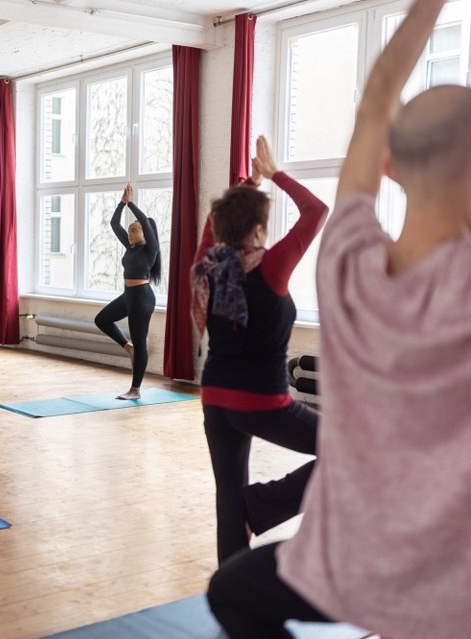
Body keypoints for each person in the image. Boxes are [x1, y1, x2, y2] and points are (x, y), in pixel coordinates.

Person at [208, 2, 471, 637]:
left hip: (351, 563)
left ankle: (261, 504)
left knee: (234, 590)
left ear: (389, 166)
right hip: (447, 581)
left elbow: (377, 95)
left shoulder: (347, 266)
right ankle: (265, 502)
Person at [192, 136, 328, 564]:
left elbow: (214, 225)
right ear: (258, 229)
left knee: (228, 494)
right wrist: (273, 175)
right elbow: (316, 212)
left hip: (216, 398)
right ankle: (264, 506)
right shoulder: (271, 265)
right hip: (265, 402)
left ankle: (229, 592)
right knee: (355, 452)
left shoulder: (206, 266)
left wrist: (247, 186)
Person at [94, 184, 161, 400]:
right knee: (102, 320)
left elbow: (146, 226)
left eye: (134, 230)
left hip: (142, 298)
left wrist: (132, 203)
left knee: (141, 342)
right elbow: (114, 223)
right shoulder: (130, 247)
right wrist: (122, 204)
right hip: (128, 296)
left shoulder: (150, 248)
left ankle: (135, 390)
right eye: (129, 231)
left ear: (144, 232)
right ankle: (127, 347)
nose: (130, 234)